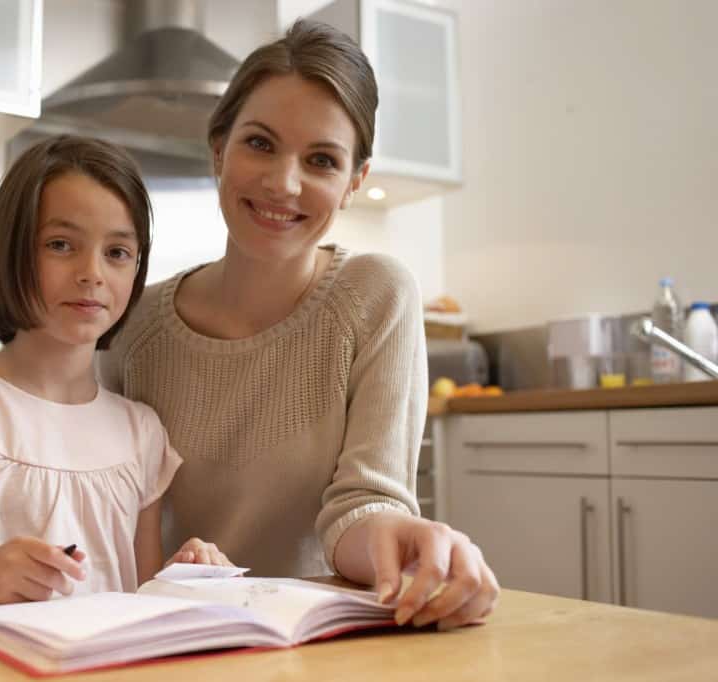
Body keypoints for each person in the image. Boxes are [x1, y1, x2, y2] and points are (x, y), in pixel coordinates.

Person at [98, 20, 499, 631]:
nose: (284, 183)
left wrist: (406, 539)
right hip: (161, 638)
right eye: (260, 143)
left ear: (353, 184)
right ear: (218, 149)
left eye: (321, 160)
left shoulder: (377, 295)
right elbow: (105, 514)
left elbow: (365, 502)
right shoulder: (133, 324)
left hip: (316, 646)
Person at [0, 135, 228, 610]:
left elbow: (140, 602)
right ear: (12, 250)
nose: (91, 273)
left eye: (116, 252)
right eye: (61, 245)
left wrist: (186, 578)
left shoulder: (142, 433)